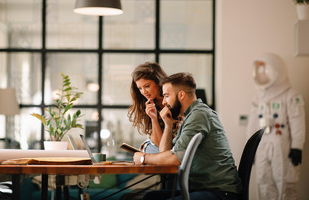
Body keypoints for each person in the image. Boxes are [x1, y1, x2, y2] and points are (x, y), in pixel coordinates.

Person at [134, 72, 242, 200]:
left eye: (167, 96)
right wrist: (168, 126)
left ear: (181, 95)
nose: (163, 102)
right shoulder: (190, 116)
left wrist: (143, 158)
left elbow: (175, 158)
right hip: (205, 189)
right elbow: (165, 153)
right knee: (150, 197)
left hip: (220, 192)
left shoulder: (199, 115)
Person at [247, 53, 305, 200]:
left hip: (282, 145)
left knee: (285, 183)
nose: (262, 74)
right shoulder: (258, 97)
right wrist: (250, 148)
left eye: (265, 69)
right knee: (263, 182)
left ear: (276, 70)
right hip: (261, 144)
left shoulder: (290, 95)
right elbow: (252, 123)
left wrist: (297, 146)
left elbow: (298, 122)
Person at [128, 62, 182, 153]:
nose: (144, 92)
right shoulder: (148, 105)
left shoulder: (175, 99)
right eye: (140, 88)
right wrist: (153, 118)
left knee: (150, 152)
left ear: (158, 82)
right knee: (151, 150)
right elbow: (160, 145)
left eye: (147, 86)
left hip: (177, 147)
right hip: (160, 148)